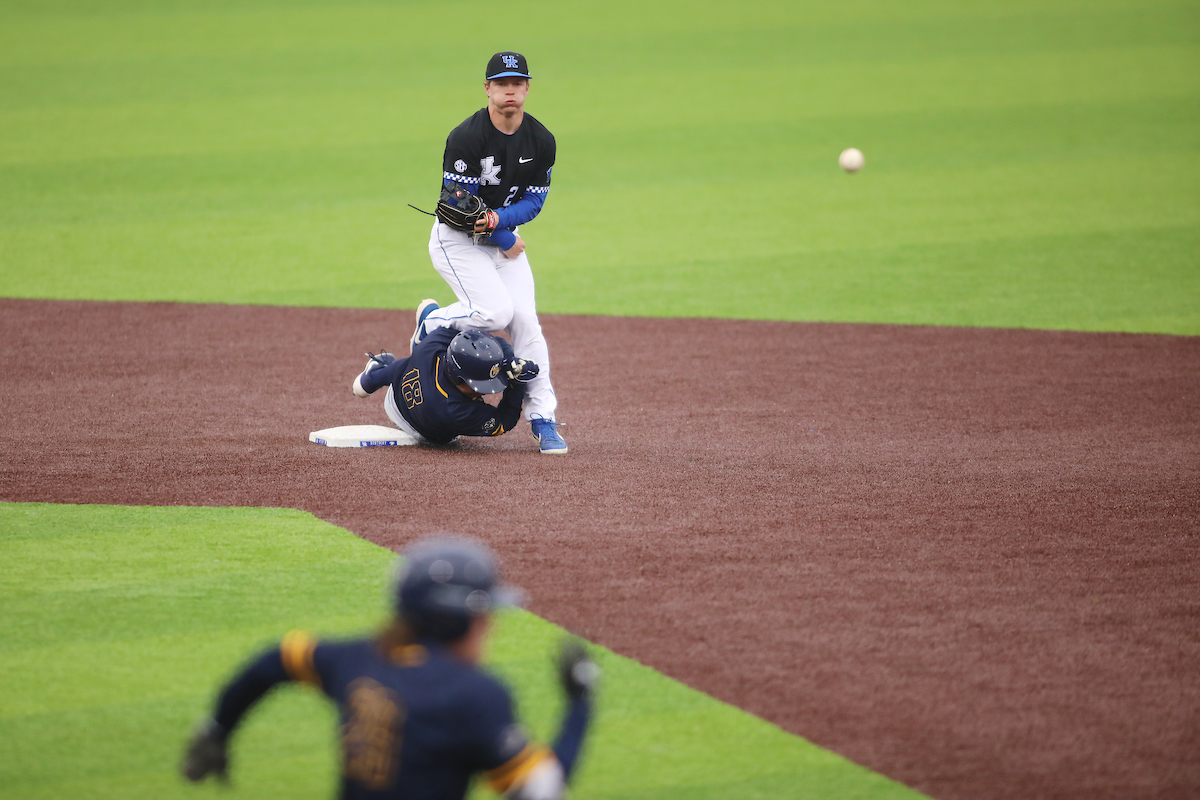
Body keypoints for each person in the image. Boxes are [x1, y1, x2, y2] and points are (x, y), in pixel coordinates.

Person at [181, 536, 598, 799]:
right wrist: (580, 701)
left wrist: (218, 727)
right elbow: (540, 787)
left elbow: (276, 660)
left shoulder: (356, 658)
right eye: (485, 613)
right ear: (455, 619)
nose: (490, 625)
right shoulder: (473, 694)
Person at [411, 50, 567, 455]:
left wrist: (497, 224)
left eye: (517, 83)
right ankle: (433, 322)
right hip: (456, 241)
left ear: (527, 88)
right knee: (495, 313)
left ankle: (543, 418)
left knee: (527, 323)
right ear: (487, 89)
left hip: (502, 240)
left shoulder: (542, 140)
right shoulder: (467, 137)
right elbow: (457, 206)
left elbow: (534, 203)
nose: (510, 90)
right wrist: (502, 235)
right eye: (501, 84)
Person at [350, 326, 539, 445]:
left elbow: (489, 341)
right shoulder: (454, 411)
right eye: (479, 384)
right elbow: (504, 421)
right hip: (421, 431)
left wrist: (508, 359)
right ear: (460, 378)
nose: (485, 390)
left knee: (407, 364)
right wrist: (516, 383)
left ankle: (371, 379)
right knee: (410, 363)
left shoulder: (432, 345)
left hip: (404, 381)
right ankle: (372, 378)